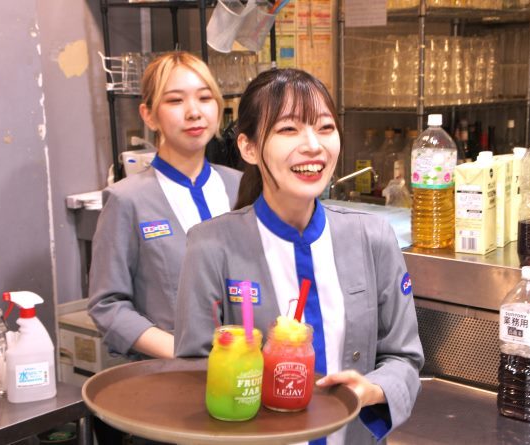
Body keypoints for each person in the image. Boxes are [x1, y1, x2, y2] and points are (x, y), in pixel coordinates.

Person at [175, 68, 424, 444]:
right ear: (249, 147)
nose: (313, 145)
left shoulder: (372, 237)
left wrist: (370, 389)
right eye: (288, 129)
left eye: (325, 127)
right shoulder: (210, 246)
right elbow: (192, 375)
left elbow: (404, 358)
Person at [88, 51, 242, 361]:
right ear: (149, 115)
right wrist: (181, 353)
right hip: (171, 373)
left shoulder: (241, 187)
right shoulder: (127, 200)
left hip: (246, 369)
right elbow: (107, 306)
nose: (194, 112)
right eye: (175, 100)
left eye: (205, 98)